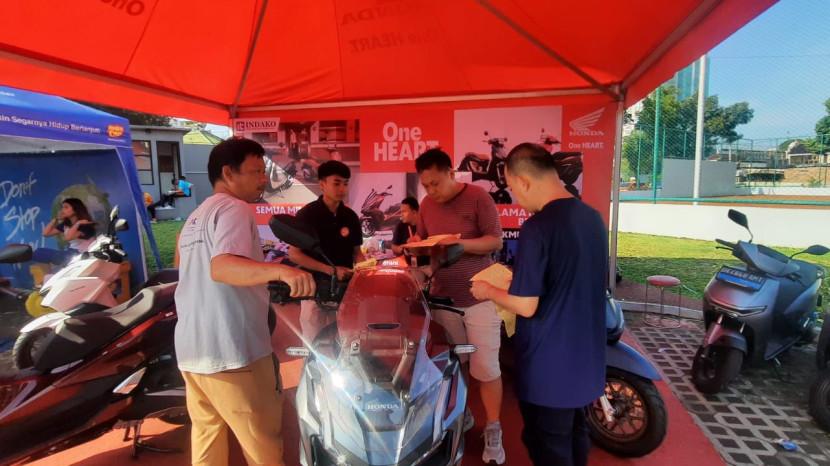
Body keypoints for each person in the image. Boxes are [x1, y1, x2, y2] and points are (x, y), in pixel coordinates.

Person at [174, 137, 315, 466]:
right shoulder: (233, 208)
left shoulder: (195, 216)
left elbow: (182, 266)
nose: (263, 179)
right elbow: (222, 267)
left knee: (207, 446)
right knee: (262, 448)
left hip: (193, 353)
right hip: (233, 352)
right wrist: (282, 271)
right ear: (228, 173)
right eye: (255, 172)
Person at [470, 142, 607, 466]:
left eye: (514, 188)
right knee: (576, 437)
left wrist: (488, 290)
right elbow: (570, 278)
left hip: (550, 368)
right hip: (585, 360)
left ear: (524, 181)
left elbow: (526, 305)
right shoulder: (592, 218)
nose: (517, 198)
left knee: (548, 446)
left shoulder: (537, 227)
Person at [414, 148, 506, 465]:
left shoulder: (479, 197)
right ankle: (460, 414)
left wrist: (459, 244)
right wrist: (420, 257)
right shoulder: (426, 206)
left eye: (436, 183)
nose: (431, 191)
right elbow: (425, 244)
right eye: (426, 185)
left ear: (451, 173)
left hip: (480, 298)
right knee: (454, 365)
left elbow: (495, 241)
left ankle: (493, 427)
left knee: (486, 368)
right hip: (443, 299)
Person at [288, 160, 364, 342]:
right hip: (314, 290)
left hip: (345, 291)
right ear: (322, 184)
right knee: (314, 343)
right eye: (336, 183)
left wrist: (365, 270)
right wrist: (331, 270)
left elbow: (357, 253)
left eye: (345, 183)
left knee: (345, 341)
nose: (342, 189)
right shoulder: (307, 215)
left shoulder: (351, 217)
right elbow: (294, 254)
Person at [34, 198, 97, 265]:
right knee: (39, 252)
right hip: (71, 252)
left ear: (75, 209)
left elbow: (68, 237)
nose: (62, 210)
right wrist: (56, 219)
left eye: (66, 207)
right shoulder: (66, 225)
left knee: (46, 254)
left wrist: (77, 223)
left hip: (83, 254)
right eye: (62, 208)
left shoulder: (85, 224)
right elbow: (45, 233)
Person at [390, 196, 429, 266]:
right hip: (408, 265)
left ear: (414, 212)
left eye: (404, 211)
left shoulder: (426, 223)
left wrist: (418, 246)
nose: (401, 214)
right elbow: (393, 246)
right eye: (401, 212)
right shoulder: (401, 225)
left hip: (427, 265)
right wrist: (403, 249)